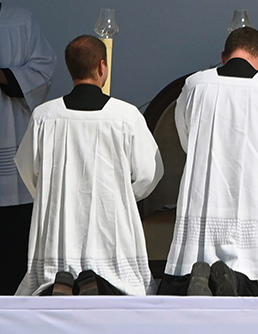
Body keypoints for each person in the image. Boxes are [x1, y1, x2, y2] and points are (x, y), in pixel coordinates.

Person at [160, 26, 258, 296]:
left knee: (199, 251)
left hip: (208, 194)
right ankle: (238, 282)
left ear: (223, 56)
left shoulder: (196, 85)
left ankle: (203, 272)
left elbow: (186, 138)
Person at [17, 35, 161, 295]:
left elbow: (28, 169)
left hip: (60, 220)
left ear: (70, 68)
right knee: (121, 281)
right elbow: (149, 172)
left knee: (53, 271)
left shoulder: (45, 116)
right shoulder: (126, 116)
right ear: (102, 67)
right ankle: (100, 281)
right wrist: (124, 196)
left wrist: (49, 196)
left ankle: (61, 281)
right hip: (110, 218)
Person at [0, 0, 54, 296]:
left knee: (12, 235)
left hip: (11, 134)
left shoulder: (21, 21)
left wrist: (2, 76)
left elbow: (44, 68)